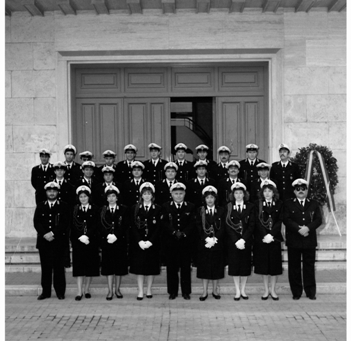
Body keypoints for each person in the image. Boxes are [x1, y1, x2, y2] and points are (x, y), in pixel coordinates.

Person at [283, 179, 322, 300]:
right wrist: (298, 229)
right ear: (294, 191)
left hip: (309, 239)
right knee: (294, 267)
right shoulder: (288, 203)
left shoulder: (314, 203)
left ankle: (310, 292)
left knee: (309, 266)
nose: (301, 191)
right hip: (294, 239)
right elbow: (286, 219)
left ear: (307, 190)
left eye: (303, 189)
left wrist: (307, 228)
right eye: (298, 189)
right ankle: (296, 292)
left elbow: (318, 219)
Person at [33, 181, 69, 300]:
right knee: (46, 268)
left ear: (57, 192)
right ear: (46, 192)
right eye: (49, 191)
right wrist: (45, 234)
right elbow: (36, 222)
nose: (52, 193)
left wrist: (53, 233)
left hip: (58, 241)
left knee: (59, 267)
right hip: (44, 242)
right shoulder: (40, 205)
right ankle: (46, 292)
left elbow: (65, 223)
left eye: (54, 191)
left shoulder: (63, 205)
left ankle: (60, 292)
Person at [162, 183, 196, 300]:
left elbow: (192, 223)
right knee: (171, 268)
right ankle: (172, 291)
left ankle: (186, 292)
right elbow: (164, 223)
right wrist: (173, 232)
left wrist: (184, 233)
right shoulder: (166, 206)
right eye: (176, 193)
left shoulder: (190, 206)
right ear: (171, 194)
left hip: (185, 242)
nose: (178, 196)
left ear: (184, 194)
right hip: (171, 243)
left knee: (185, 268)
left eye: (181, 193)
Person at [129, 182, 163, 300]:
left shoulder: (158, 208)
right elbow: (133, 226)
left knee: (151, 268)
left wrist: (150, 241)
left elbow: (159, 227)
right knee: (140, 268)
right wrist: (139, 241)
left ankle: (148, 289)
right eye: (144, 194)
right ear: (141, 195)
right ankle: (140, 290)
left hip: (152, 243)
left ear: (152, 196)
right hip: (139, 243)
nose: (147, 196)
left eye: (149, 194)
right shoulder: (135, 208)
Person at [253, 179, 283, 301]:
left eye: (269, 191)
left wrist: (272, 235)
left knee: (274, 266)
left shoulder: (279, 204)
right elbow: (257, 221)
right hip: (262, 239)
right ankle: (266, 290)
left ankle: (273, 290)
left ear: (273, 192)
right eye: (265, 191)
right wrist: (265, 235)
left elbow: (280, 220)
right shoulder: (257, 204)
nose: (267, 193)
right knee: (264, 266)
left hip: (274, 238)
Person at [225, 182, 255, 301]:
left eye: (240, 193)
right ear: (233, 195)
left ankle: (243, 290)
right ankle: (237, 290)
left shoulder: (250, 207)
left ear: (244, 194)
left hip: (246, 241)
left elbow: (252, 224)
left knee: (245, 266)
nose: (238, 195)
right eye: (236, 193)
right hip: (233, 242)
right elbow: (227, 224)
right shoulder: (228, 206)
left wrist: (243, 239)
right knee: (235, 266)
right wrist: (236, 240)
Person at [196, 186, 226, 301]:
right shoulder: (200, 210)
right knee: (204, 268)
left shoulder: (221, 210)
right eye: (207, 197)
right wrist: (206, 239)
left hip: (217, 243)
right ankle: (204, 292)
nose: (209, 200)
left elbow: (223, 226)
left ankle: (215, 290)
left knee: (217, 268)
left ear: (215, 199)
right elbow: (198, 226)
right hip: (204, 244)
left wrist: (215, 239)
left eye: (212, 197)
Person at [70, 185, 100, 301]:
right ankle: (79, 291)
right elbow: (72, 226)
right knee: (78, 267)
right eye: (81, 197)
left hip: (91, 242)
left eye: (85, 196)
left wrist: (87, 236)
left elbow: (96, 224)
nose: (83, 199)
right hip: (78, 242)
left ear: (89, 197)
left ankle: (87, 289)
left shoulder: (95, 209)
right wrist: (79, 236)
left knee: (89, 267)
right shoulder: (74, 209)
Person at [100, 184, 129, 300]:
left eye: (113, 196)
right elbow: (100, 225)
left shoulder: (124, 209)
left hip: (119, 242)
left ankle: (117, 289)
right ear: (106, 198)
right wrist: (108, 235)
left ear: (117, 198)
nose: (111, 198)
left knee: (119, 268)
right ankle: (110, 290)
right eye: (109, 196)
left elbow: (125, 225)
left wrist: (116, 235)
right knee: (109, 267)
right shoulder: (102, 210)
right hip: (107, 242)